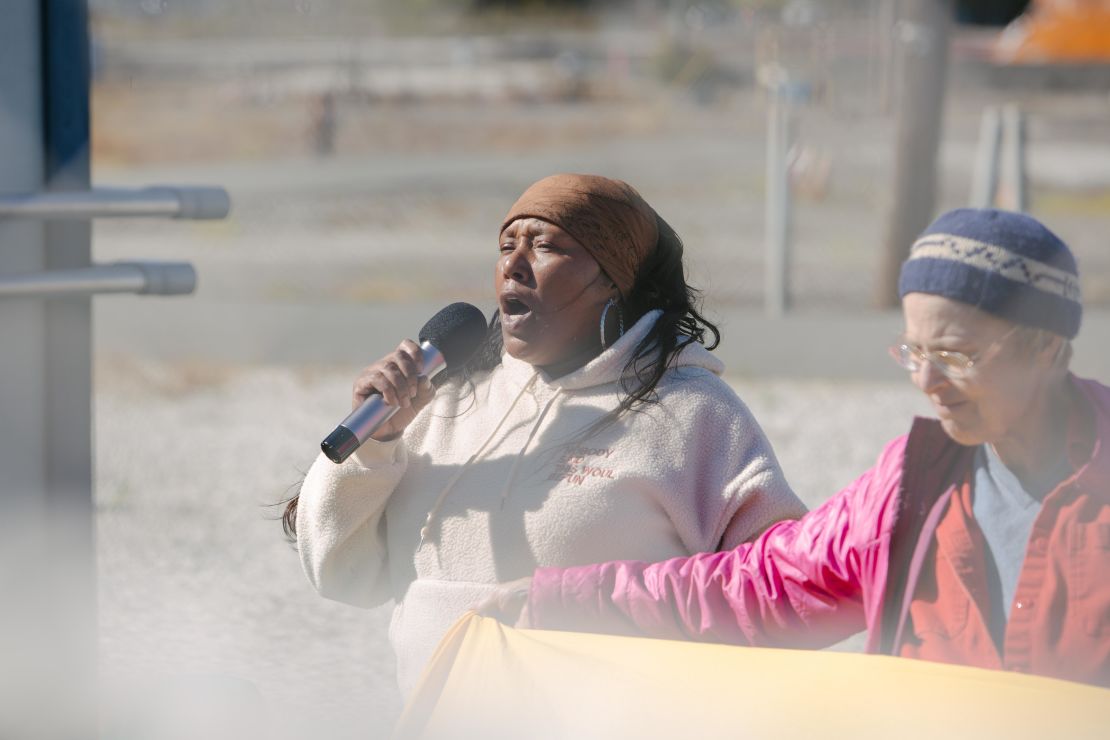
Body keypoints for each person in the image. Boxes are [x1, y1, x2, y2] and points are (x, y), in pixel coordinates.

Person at [488, 207, 1110, 688]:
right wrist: (565, 599)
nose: (927, 381)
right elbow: (759, 589)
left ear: (1047, 348)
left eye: (955, 355)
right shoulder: (914, 485)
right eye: (914, 352)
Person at [288, 173, 806, 692]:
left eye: (545, 246)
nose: (513, 265)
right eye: (507, 245)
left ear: (612, 278)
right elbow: (341, 575)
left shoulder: (690, 412)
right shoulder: (445, 401)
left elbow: (780, 589)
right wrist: (375, 447)